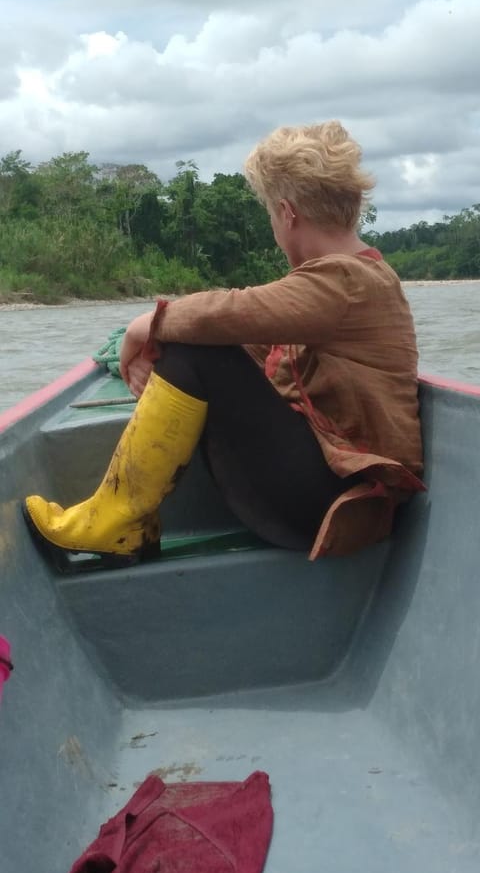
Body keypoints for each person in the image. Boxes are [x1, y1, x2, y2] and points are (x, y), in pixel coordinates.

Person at [24, 121, 424, 568]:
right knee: (195, 344)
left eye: (271, 215)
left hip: (333, 503)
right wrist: (159, 351)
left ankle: (116, 520)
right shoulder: (351, 279)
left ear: (287, 213)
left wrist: (145, 327)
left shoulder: (346, 281)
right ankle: (124, 519)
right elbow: (251, 340)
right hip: (319, 490)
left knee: (196, 347)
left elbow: (229, 314)